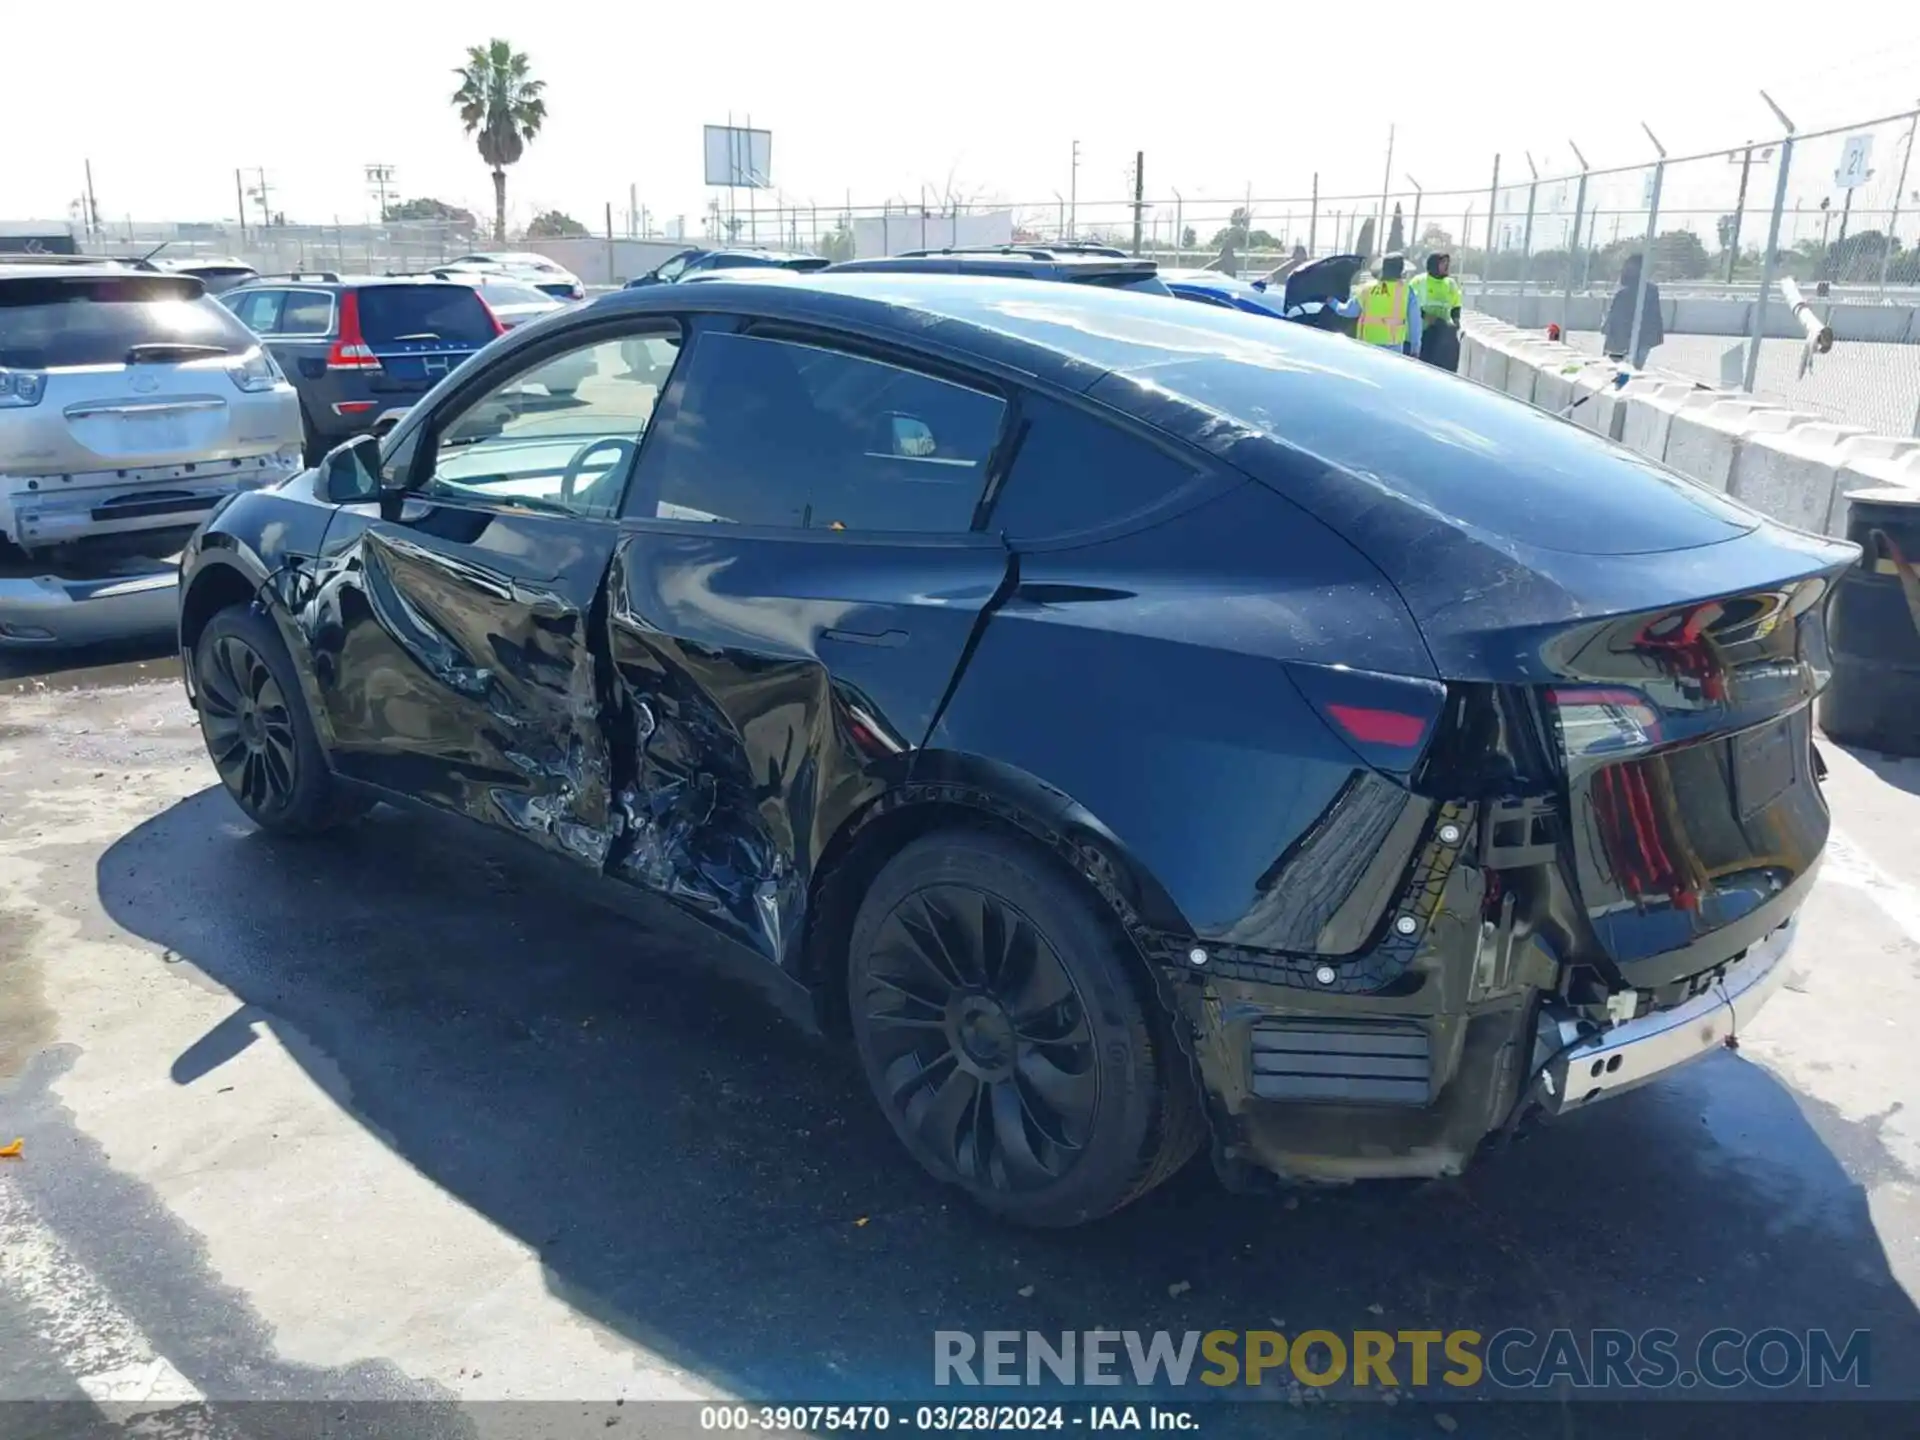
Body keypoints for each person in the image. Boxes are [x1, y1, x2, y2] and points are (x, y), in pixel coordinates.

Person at [1602, 253, 1664, 368]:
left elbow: (1615, 319)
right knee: (1629, 370)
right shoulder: (1646, 290)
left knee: (1622, 371)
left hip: (1632, 340)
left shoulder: (1635, 291)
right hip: (1631, 339)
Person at [1353, 252, 1422, 355]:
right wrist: (1415, 348)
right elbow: (1415, 323)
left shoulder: (1366, 288)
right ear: (1401, 270)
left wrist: (1332, 302)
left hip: (1366, 345)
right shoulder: (1407, 290)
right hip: (1393, 347)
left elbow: (1349, 311)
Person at [1411, 251, 1464, 371]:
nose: (1447, 266)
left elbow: (1456, 304)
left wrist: (1456, 321)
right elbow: (1409, 305)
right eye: (1443, 263)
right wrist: (1426, 317)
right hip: (1424, 333)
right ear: (1434, 265)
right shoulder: (1419, 281)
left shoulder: (1450, 283)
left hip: (1443, 331)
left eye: (1447, 263)